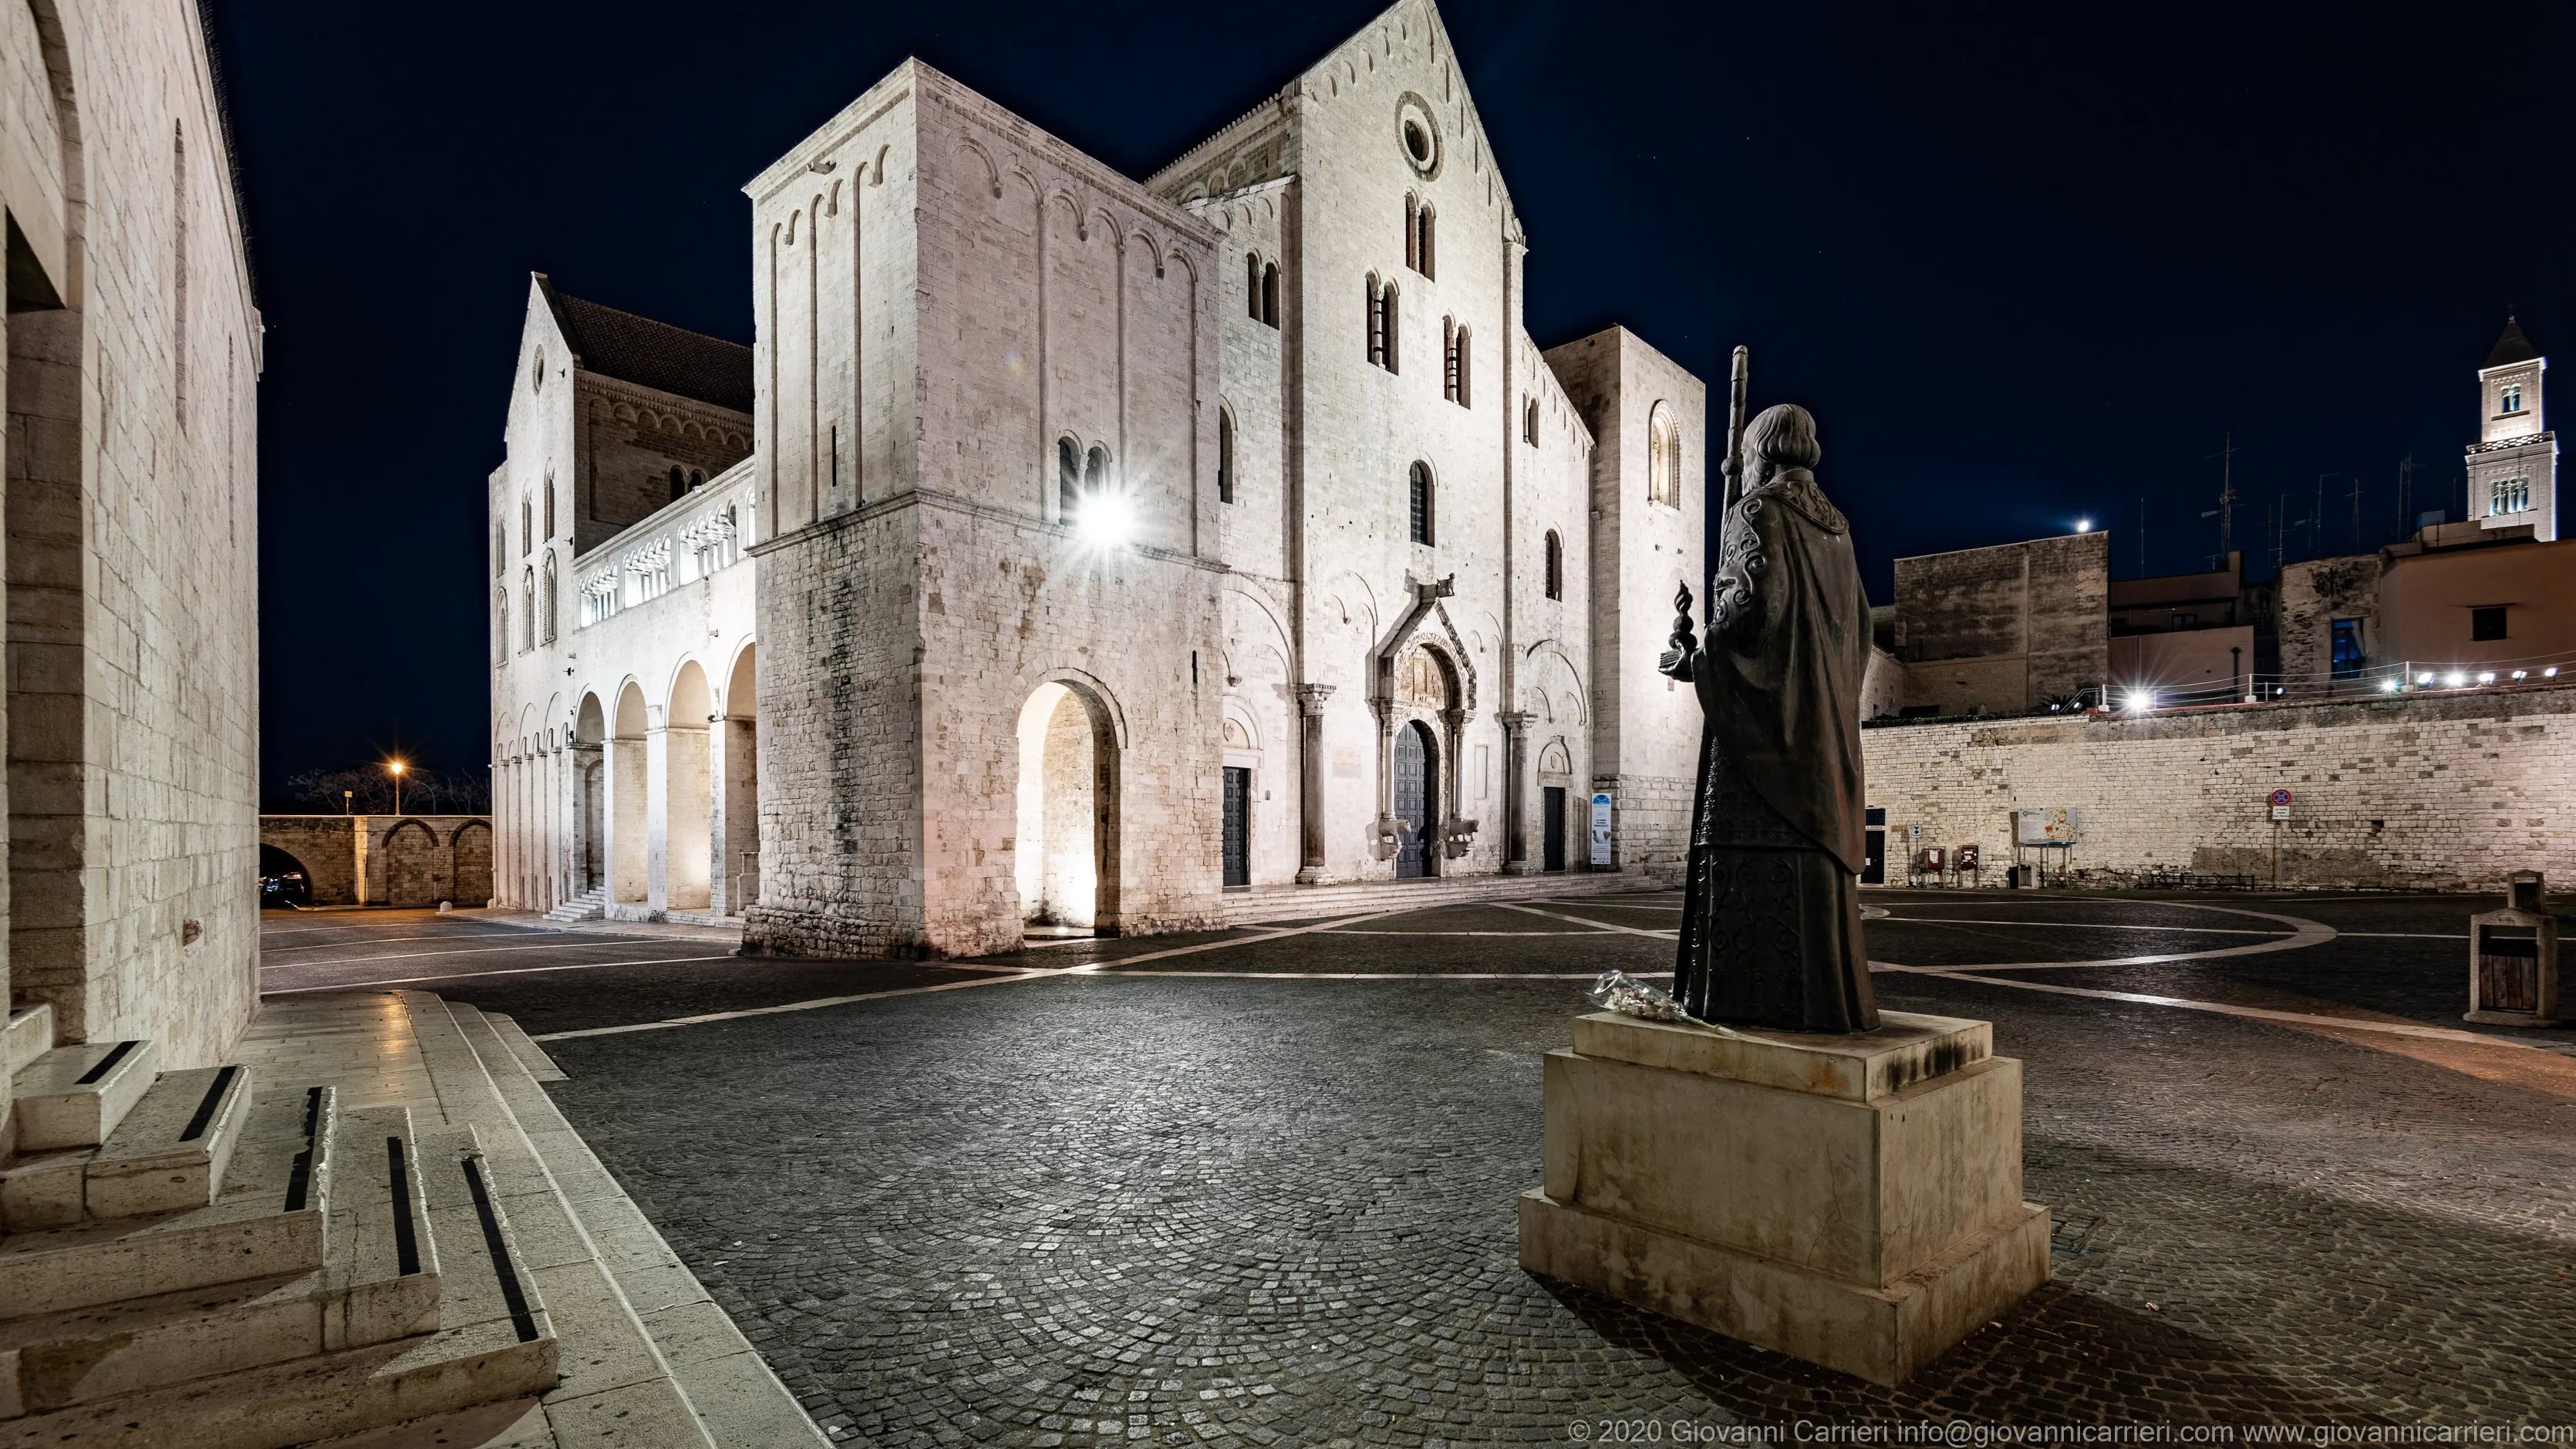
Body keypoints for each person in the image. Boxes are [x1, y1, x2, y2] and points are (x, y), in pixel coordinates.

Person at [1658, 403, 1879, 1033]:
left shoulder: (1757, 510)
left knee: (1738, 866)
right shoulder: (1839, 530)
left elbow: (1750, 615)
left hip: (1761, 748)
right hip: (1820, 741)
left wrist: (1698, 659)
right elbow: (1862, 632)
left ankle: (1739, 1000)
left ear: (1758, 453)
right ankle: (1825, 1004)